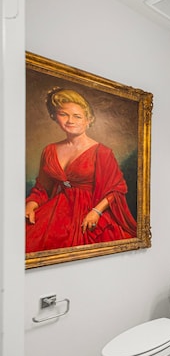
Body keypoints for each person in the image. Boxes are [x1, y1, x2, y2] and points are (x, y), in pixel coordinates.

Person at [25, 88, 137, 252]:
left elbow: (117, 190)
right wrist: (30, 204)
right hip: (58, 210)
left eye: (77, 116)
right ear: (55, 117)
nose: (70, 120)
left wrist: (96, 212)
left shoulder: (103, 152)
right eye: (64, 114)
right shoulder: (49, 150)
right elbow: (42, 188)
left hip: (91, 209)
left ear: (88, 119)